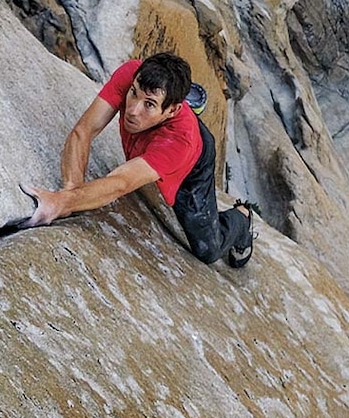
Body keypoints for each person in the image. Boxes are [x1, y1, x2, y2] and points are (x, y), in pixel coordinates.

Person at [23, 50, 255, 268]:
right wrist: (68, 194)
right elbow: (83, 131)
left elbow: (121, 183)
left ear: (172, 111)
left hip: (194, 157)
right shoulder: (133, 74)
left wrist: (63, 202)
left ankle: (242, 218)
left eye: (149, 104)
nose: (133, 110)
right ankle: (172, 101)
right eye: (133, 93)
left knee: (208, 250)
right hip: (169, 126)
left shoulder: (179, 143)